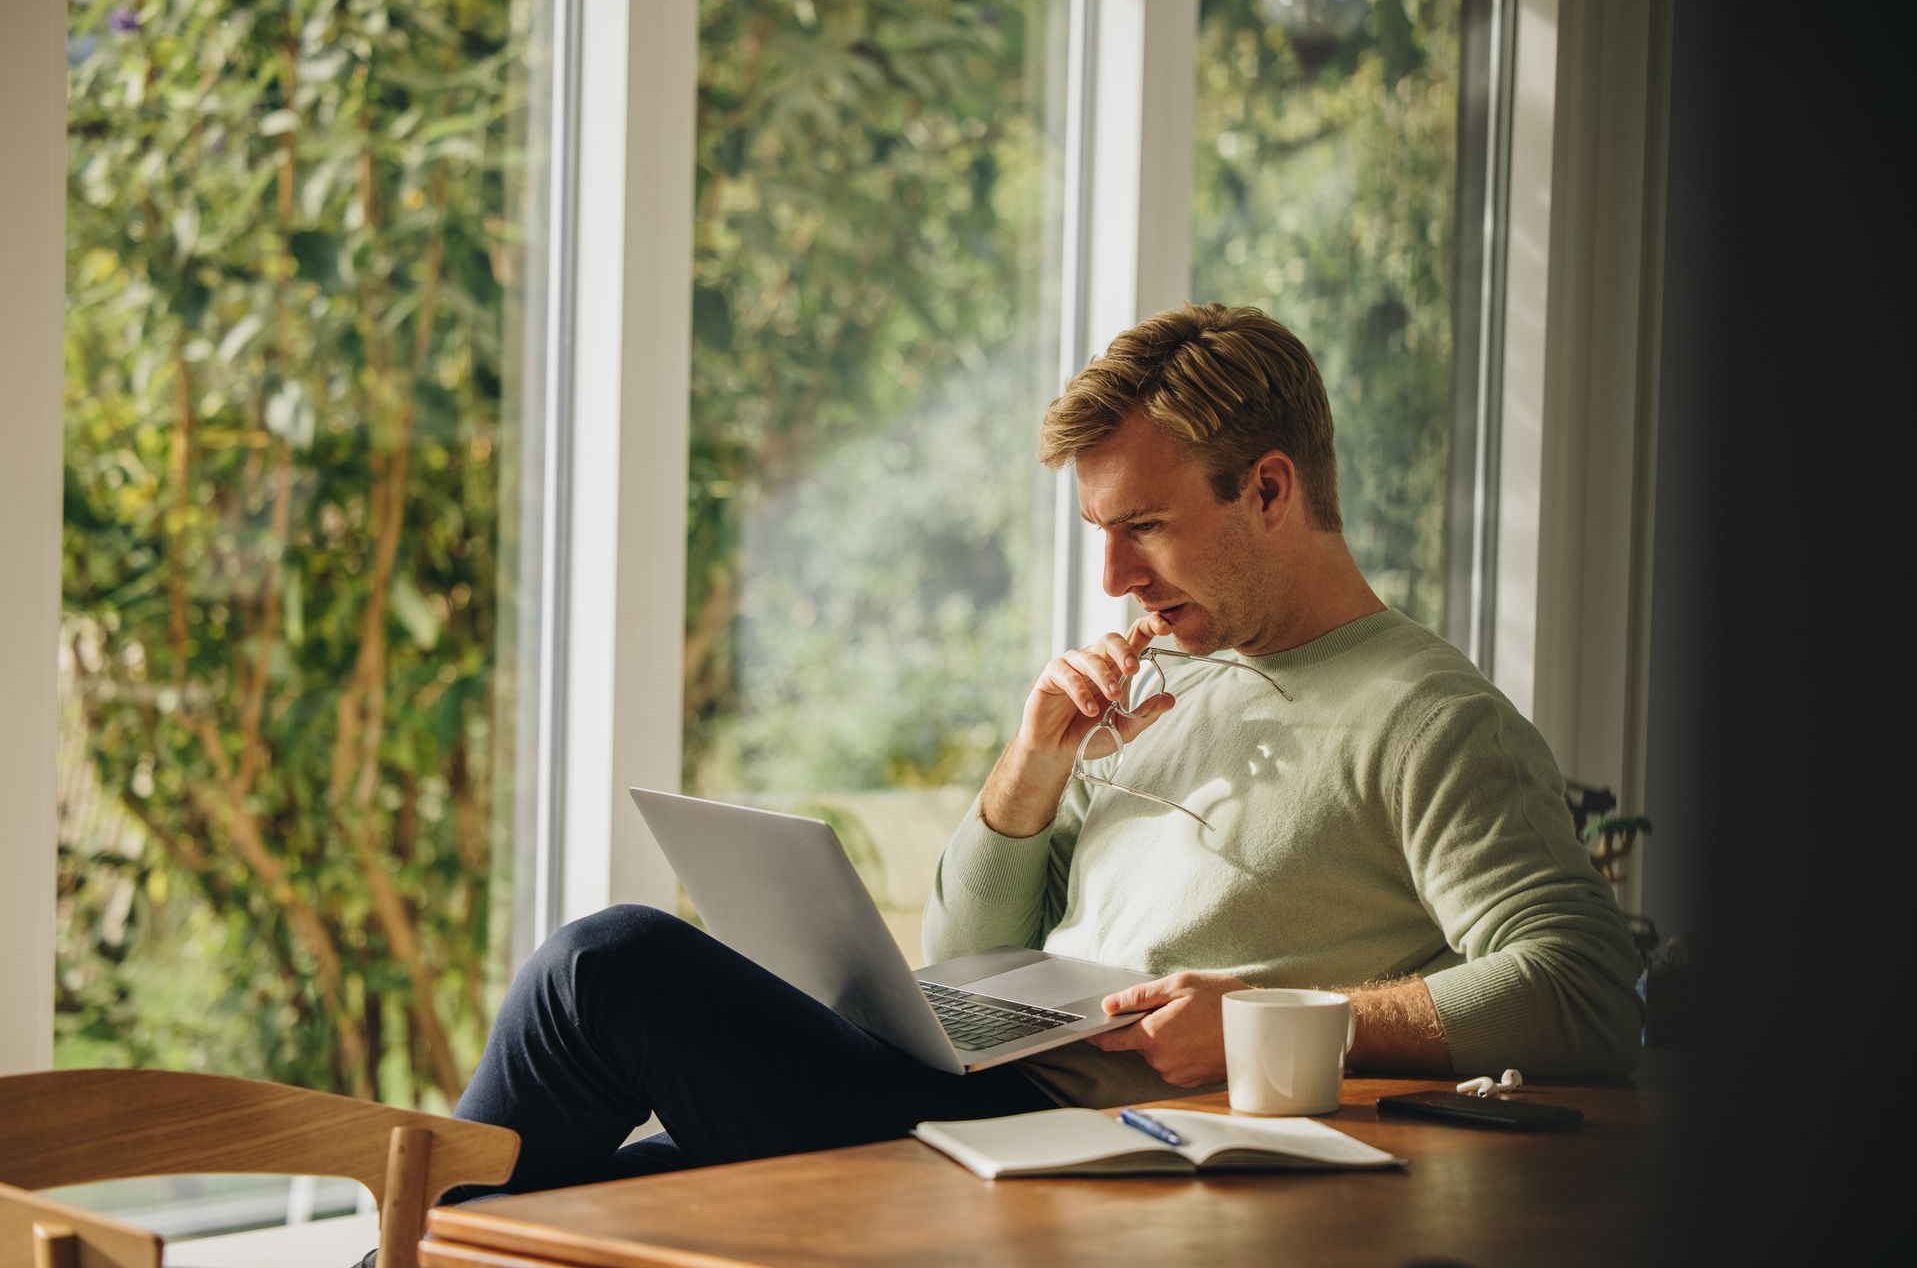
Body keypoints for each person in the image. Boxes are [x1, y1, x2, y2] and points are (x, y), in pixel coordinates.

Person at [437, 302, 1641, 1206]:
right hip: (976, 1092)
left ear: (1270, 488)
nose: (1113, 577)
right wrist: (1033, 766)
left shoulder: (1429, 715)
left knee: (604, 969)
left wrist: (1268, 1014)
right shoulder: (1166, 672)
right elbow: (964, 956)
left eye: (1146, 529)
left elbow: (1586, 990)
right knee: (555, 1193)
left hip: (1101, 1151)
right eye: (1099, 532)